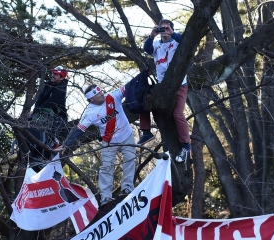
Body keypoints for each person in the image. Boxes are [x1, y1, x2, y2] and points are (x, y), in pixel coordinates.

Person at [56, 84, 136, 206]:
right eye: (97, 94)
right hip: (109, 141)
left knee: (130, 159)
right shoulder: (90, 113)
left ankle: (127, 188)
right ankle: (106, 197)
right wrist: (66, 144)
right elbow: (79, 130)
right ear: (91, 99)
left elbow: (130, 86)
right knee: (106, 167)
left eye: (101, 92)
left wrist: (145, 75)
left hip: (126, 135)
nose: (101, 94)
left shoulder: (113, 96)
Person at [139, 19, 191, 163]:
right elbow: (147, 49)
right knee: (144, 97)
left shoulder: (177, 41)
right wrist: (152, 35)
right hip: (162, 85)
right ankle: (146, 131)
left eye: (166, 28)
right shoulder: (156, 44)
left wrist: (172, 33)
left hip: (180, 84)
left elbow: (187, 43)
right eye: (162, 29)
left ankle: (186, 146)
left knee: (178, 113)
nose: (164, 31)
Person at [31, 65, 69, 143]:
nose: (53, 75)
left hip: (57, 116)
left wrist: (38, 111)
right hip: (42, 112)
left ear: (61, 78)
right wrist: (35, 110)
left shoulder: (60, 90)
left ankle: (54, 148)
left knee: (51, 136)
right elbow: (40, 98)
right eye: (53, 73)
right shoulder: (48, 84)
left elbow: (49, 104)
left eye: (56, 74)